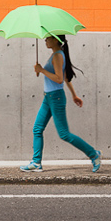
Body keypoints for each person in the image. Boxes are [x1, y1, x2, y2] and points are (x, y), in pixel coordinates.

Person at [19, 34, 101, 172]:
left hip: (55, 98)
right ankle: (36, 162)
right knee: (37, 129)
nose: (45, 40)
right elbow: (65, 77)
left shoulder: (57, 55)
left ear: (56, 40)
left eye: (48, 38)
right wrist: (74, 95)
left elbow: (58, 79)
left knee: (64, 134)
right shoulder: (57, 55)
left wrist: (42, 70)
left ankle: (93, 154)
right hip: (49, 98)